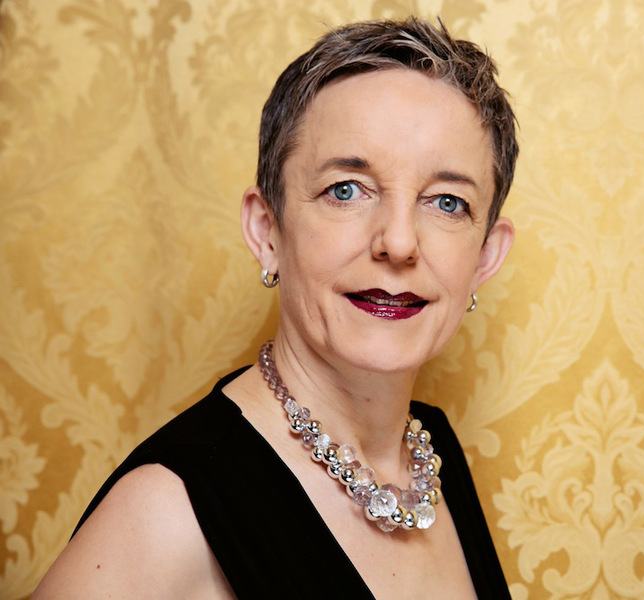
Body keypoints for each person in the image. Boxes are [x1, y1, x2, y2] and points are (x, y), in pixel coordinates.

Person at [33, 16, 517, 599]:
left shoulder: (433, 453)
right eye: (345, 189)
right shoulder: (164, 512)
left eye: (447, 202)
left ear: (485, 256)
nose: (398, 242)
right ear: (267, 231)